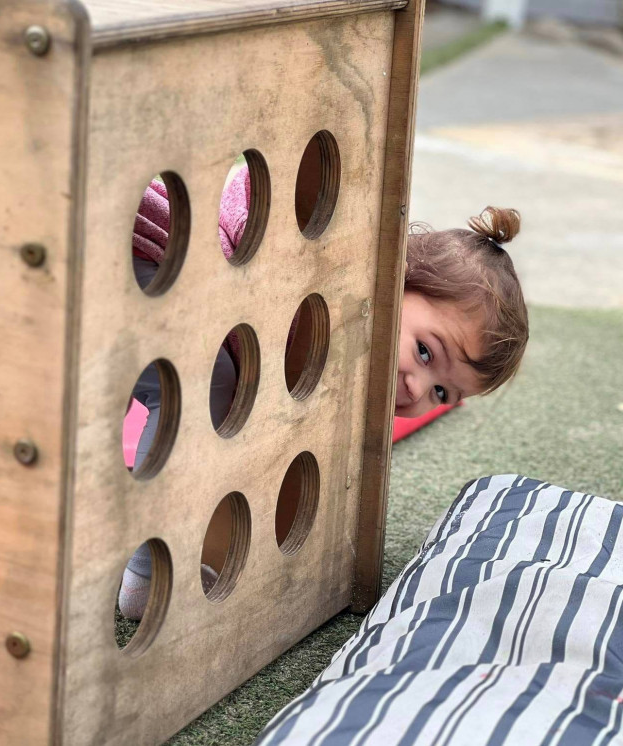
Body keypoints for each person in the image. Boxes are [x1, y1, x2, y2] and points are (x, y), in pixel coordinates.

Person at [118, 167, 529, 621]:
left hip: (166, 288)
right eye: (426, 352)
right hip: (143, 252)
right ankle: (145, 572)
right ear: (397, 280)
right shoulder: (329, 287)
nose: (417, 389)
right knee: (202, 392)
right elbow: (255, 198)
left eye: (442, 393)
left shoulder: (342, 379)